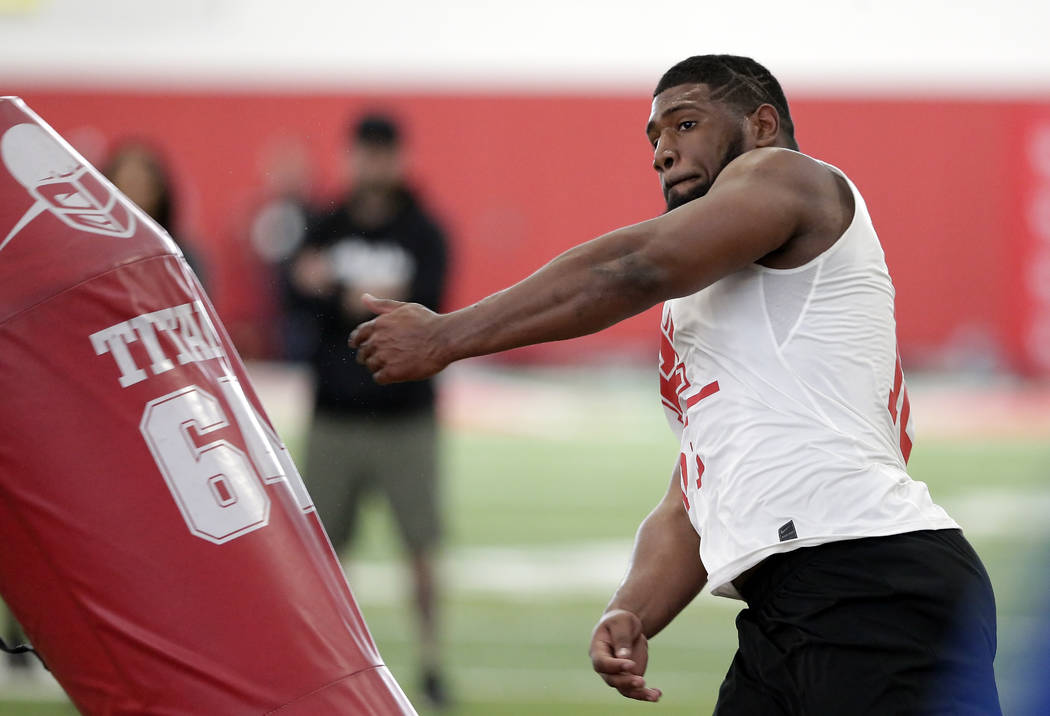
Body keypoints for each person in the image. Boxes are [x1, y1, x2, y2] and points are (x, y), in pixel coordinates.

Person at [349, 55, 1001, 714]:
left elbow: (635, 266)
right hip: (794, 599)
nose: (663, 152)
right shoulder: (721, 296)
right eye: (654, 139)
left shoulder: (790, 176)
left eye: (684, 124)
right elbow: (694, 493)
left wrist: (447, 336)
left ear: (763, 123)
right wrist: (631, 607)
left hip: (871, 580)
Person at [287, 113, 450, 708]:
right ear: (351, 156)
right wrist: (356, 300)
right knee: (324, 555)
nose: (373, 164)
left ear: (397, 158)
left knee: (422, 548)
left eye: (384, 153)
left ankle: (432, 663)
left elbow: (424, 312)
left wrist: (331, 290)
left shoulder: (424, 231)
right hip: (334, 414)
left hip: (405, 415)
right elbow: (292, 301)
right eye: (365, 152)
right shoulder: (323, 223)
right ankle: (324, 668)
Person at [103, 140, 207, 287]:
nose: (134, 195)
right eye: (127, 184)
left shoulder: (181, 254)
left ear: (159, 192)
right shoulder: (99, 256)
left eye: (141, 185)